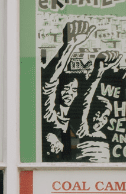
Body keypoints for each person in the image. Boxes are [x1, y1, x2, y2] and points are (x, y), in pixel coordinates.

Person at [41, 20, 97, 160]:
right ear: (59, 90)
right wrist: (69, 45)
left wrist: (99, 71)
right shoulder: (50, 116)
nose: (69, 93)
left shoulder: (75, 120)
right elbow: (50, 80)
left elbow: (87, 97)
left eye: (73, 89)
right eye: (66, 88)